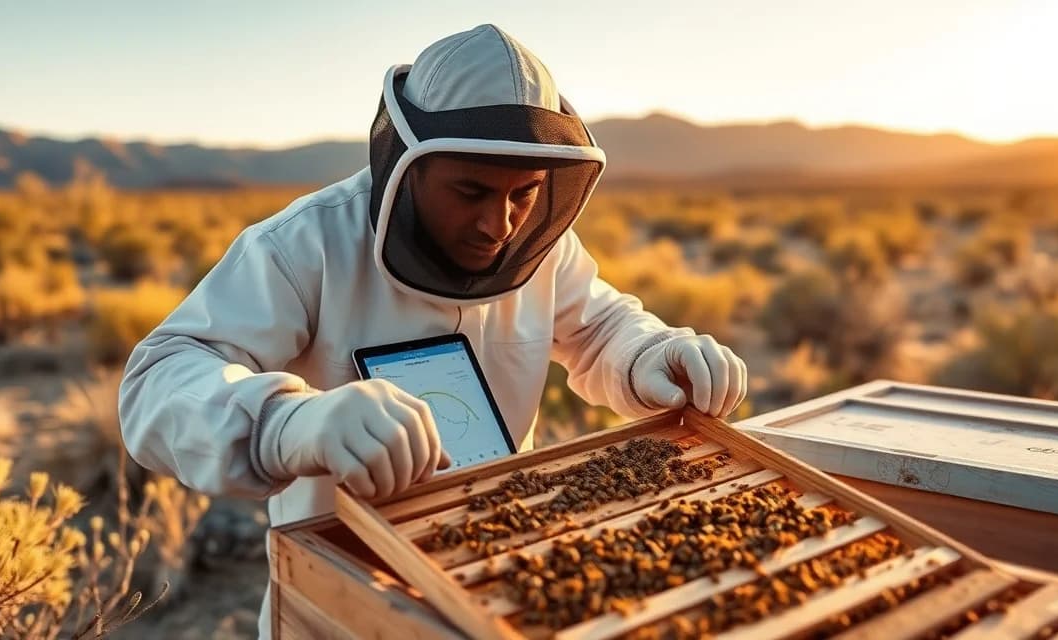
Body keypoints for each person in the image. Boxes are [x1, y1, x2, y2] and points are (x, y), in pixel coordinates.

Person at [117, 23, 748, 639]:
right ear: (406, 167)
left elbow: (603, 326)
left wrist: (651, 352)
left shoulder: (540, 249)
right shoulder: (302, 245)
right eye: (469, 191)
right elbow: (159, 377)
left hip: (503, 572)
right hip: (338, 592)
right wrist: (287, 422)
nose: (497, 225)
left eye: (523, 193)